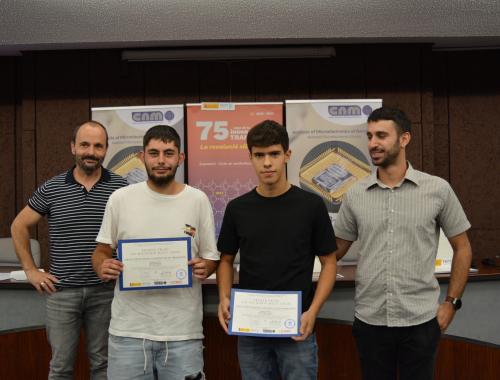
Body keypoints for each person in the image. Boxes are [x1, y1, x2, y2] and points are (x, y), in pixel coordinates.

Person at [334, 107, 473, 380]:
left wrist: (451, 303)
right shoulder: (355, 194)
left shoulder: (437, 190)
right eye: (370, 135)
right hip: (370, 321)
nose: (373, 143)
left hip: (420, 322)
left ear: (404, 139)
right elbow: (335, 250)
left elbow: (463, 247)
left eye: (382, 136)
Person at [92, 125, 219, 380]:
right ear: (142, 156)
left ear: (180, 158)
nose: (161, 160)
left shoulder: (198, 200)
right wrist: (102, 265)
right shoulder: (120, 198)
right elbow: (101, 250)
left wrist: (207, 267)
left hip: (183, 334)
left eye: (169, 153)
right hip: (128, 333)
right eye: (154, 153)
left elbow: (211, 257)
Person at [217, 120, 338, 380]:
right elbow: (225, 260)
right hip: (250, 329)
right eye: (259, 155)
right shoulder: (237, 208)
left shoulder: (311, 205)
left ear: (287, 155)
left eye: (274, 154)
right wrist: (224, 298)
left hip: (297, 327)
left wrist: (313, 312)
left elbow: (329, 262)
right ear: (250, 157)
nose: (267, 163)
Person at [10, 121, 128, 379]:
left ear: (106, 149)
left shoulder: (121, 189)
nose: (91, 151)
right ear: (73, 147)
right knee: (61, 367)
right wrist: (30, 270)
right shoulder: (52, 188)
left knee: (104, 365)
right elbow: (19, 226)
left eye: (98, 146)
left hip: (106, 293)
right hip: (62, 293)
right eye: (84, 144)